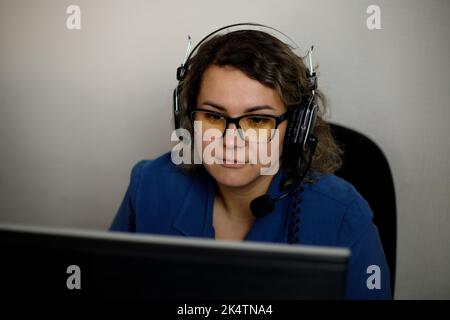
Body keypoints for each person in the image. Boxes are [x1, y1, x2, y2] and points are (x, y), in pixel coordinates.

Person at [110, 25, 391, 299]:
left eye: (257, 120)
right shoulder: (148, 186)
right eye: (214, 116)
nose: (231, 139)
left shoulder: (342, 213)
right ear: (188, 119)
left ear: (294, 129)